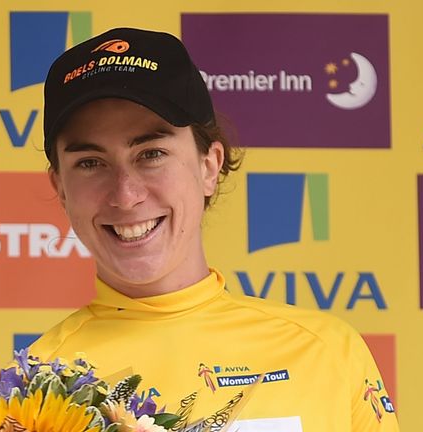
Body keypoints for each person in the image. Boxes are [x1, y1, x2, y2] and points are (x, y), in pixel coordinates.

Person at [28, 27, 399, 431]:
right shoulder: (36, 386)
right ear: (60, 187)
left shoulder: (326, 350)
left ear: (209, 166)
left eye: (151, 154)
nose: (126, 194)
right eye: (90, 162)